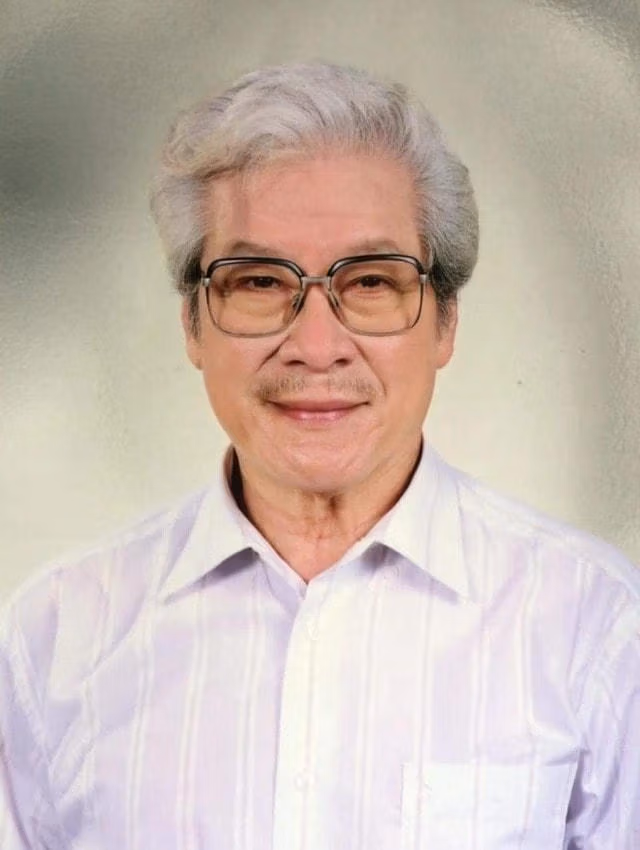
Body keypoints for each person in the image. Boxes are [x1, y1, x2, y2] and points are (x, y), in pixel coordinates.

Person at [1, 62, 639, 850]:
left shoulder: (598, 630)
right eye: (259, 281)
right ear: (193, 325)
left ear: (444, 323)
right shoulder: (51, 642)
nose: (315, 344)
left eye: (370, 281)